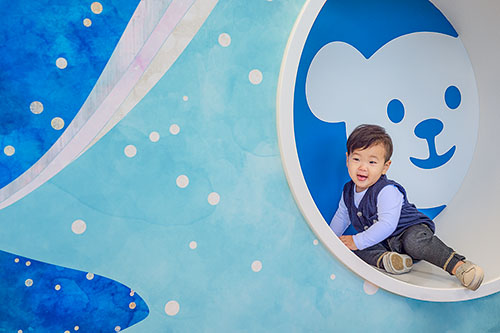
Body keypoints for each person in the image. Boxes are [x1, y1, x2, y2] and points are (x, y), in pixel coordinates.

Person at [329, 124, 484, 290]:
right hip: (385, 244)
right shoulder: (348, 191)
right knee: (354, 247)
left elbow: (387, 224)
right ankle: (391, 261)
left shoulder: (386, 190)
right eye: (356, 159)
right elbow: (342, 216)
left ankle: (459, 266)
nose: (362, 167)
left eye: (372, 162)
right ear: (347, 159)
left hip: (409, 231)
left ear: (385, 167)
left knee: (413, 242)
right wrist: (330, 239)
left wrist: (357, 241)